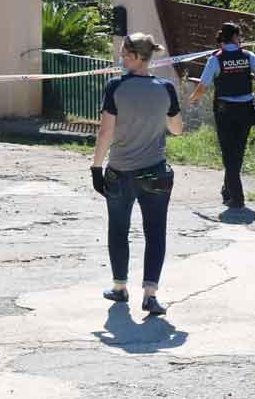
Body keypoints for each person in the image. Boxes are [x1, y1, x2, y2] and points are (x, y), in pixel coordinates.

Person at [91, 33, 183, 315]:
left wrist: (96, 166)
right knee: (155, 233)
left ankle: (119, 288)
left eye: (124, 54)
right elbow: (178, 129)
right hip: (155, 172)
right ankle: (150, 294)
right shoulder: (165, 88)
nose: (120, 59)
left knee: (118, 230)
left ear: (137, 57)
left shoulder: (115, 87)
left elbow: (106, 131)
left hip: (119, 171)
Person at [188, 22, 255, 208]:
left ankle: (237, 197)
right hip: (246, 109)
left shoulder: (216, 59)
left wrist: (193, 99)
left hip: (225, 110)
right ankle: (228, 189)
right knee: (238, 152)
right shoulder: (248, 56)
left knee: (228, 153)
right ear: (235, 37)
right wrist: (250, 76)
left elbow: (203, 86)